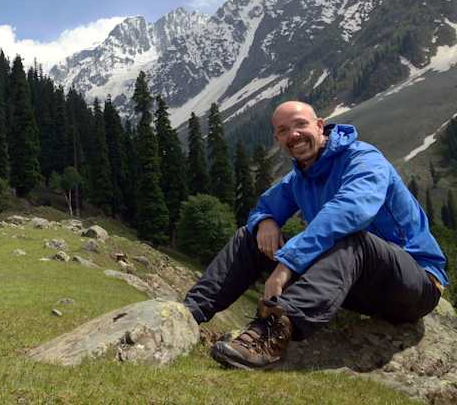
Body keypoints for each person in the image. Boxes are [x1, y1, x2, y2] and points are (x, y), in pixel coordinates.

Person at [183, 100, 448, 370]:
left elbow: (349, 211)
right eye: (283, 131)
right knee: (249, 237)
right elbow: (264, 207)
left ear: (320, 126)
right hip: (351, 283)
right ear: (278, 139)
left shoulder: (364, 159)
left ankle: (270, 335)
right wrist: (265, 221)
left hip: (413, 285)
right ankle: (188, 314)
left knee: (352, 239)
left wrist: (287, 264)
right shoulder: (300, 177)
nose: (293, 135)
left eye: (301, 124)